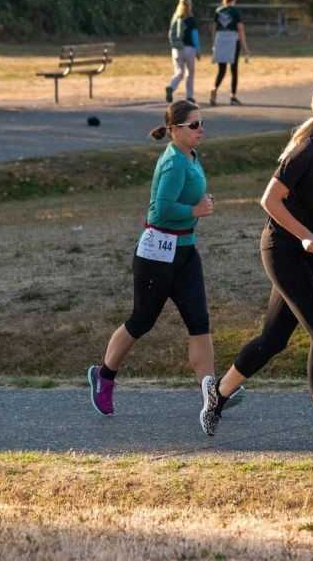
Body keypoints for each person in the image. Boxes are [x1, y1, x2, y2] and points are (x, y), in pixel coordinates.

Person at [200, 77, 313, 453]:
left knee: (274, 340)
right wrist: (304, 234)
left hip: (312, 248)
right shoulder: (305, 152)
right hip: (282, 248)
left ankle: (219, 393)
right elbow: (269, 200)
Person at [87, 100, 218, 422]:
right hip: (157, 255)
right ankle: (104, 376)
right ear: (174, 130)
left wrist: (198, 206)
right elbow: (161, 209)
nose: (201, 129)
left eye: (202, 123)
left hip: (185, 250)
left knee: (199, 322)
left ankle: (212, 395)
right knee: (141, 321)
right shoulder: (173, 163)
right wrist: (196, 210)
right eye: (194, 125)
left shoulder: (191, 156)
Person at [210, 0, 250, 107]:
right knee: (234, 70)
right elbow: (240, 30)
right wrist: (245, 47)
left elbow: (214, 28)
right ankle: (233, 96)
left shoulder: (218, 11)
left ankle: (214, 88)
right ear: (234, 0)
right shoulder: (235, 11)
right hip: (232, 40)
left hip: (220, 39)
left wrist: (214, 44)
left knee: (221, 70)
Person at [165, 0, 201, 104]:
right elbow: (194, 36)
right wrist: (198, 50)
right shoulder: (191, 19)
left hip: (176, 49)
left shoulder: (175, 18)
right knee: (190, 73)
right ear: (190, 6)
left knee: (179, 73)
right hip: (189, 48)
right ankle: (189, 96)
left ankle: (171, 87)